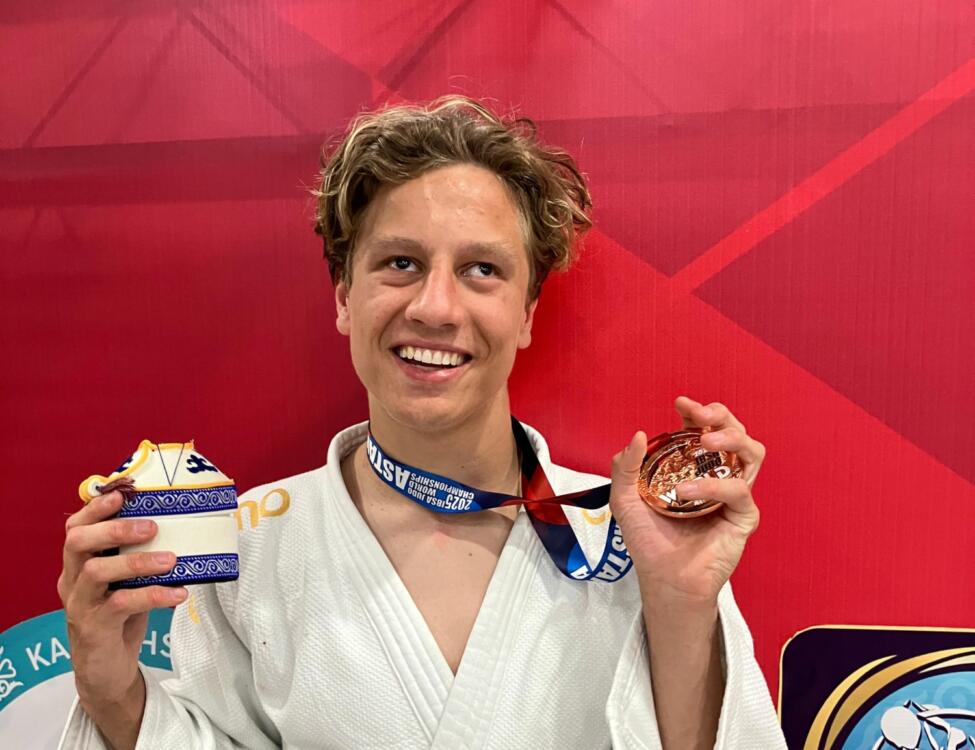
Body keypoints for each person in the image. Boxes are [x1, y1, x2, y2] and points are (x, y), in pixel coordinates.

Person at [57, 96, 786, 749]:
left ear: (526, 314)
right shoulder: (251, 541)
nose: (435, 307)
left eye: (481, 270)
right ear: (344, 298)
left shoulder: (629, 538)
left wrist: (680, 608)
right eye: (401, 263)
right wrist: (112, 691)